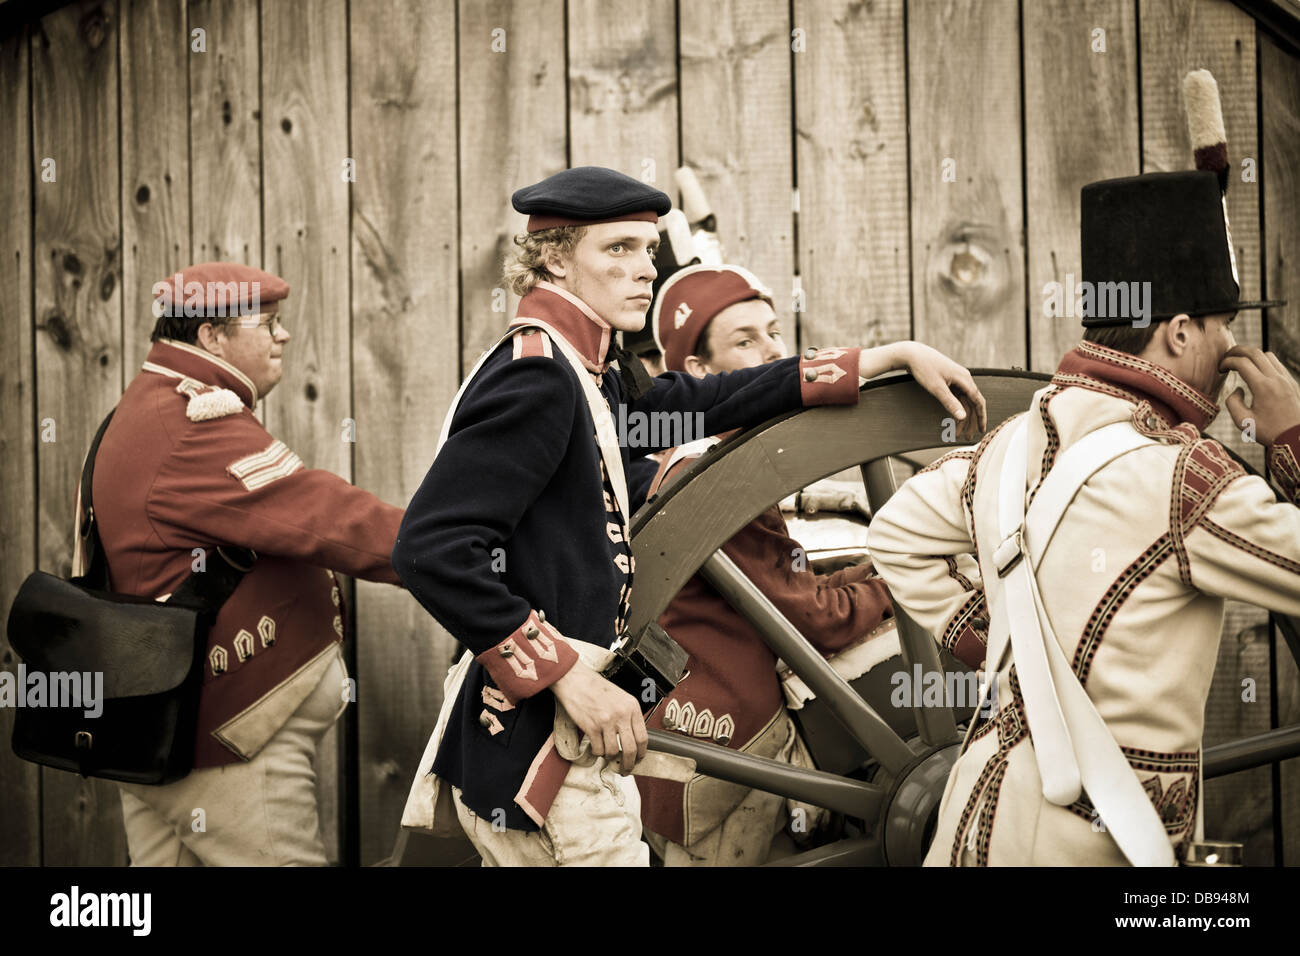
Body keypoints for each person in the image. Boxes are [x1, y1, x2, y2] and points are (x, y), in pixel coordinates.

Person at [394, 165, 986, 867]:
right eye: (617, 250)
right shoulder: (538, 378)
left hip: (568, 742)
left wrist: (871, 361)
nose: (644, 270)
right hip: (539, 745)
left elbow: (701, 402)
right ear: (555, 257)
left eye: (647, 250)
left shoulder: (584, 370)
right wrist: (569, 679)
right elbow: (430, 547)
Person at [867, 170, 1300, 865]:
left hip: (970, 824)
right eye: (1225, 326)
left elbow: (896, 533)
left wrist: (1011, 650)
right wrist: (1293, 442)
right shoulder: (1188, 479)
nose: (1231, 350)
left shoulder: (1012, 442)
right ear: (1181, 330)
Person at [635, 263, 960, 866]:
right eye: (745, 340)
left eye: (774, 331)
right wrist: (907, 583)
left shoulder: (716, 458)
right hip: (727, 745)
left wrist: (881, 572)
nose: (771, 351)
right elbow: (818, 620)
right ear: (698, 375)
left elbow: (794, 592)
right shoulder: (711, 479)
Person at [91, 262, 405, 865]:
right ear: (212, 336)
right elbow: (326, 516)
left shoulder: (155, 405)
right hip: (224, 745)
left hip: (169, 726)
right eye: (269, 323)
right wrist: (448, 553)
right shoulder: (190, 423)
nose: (282, 336)